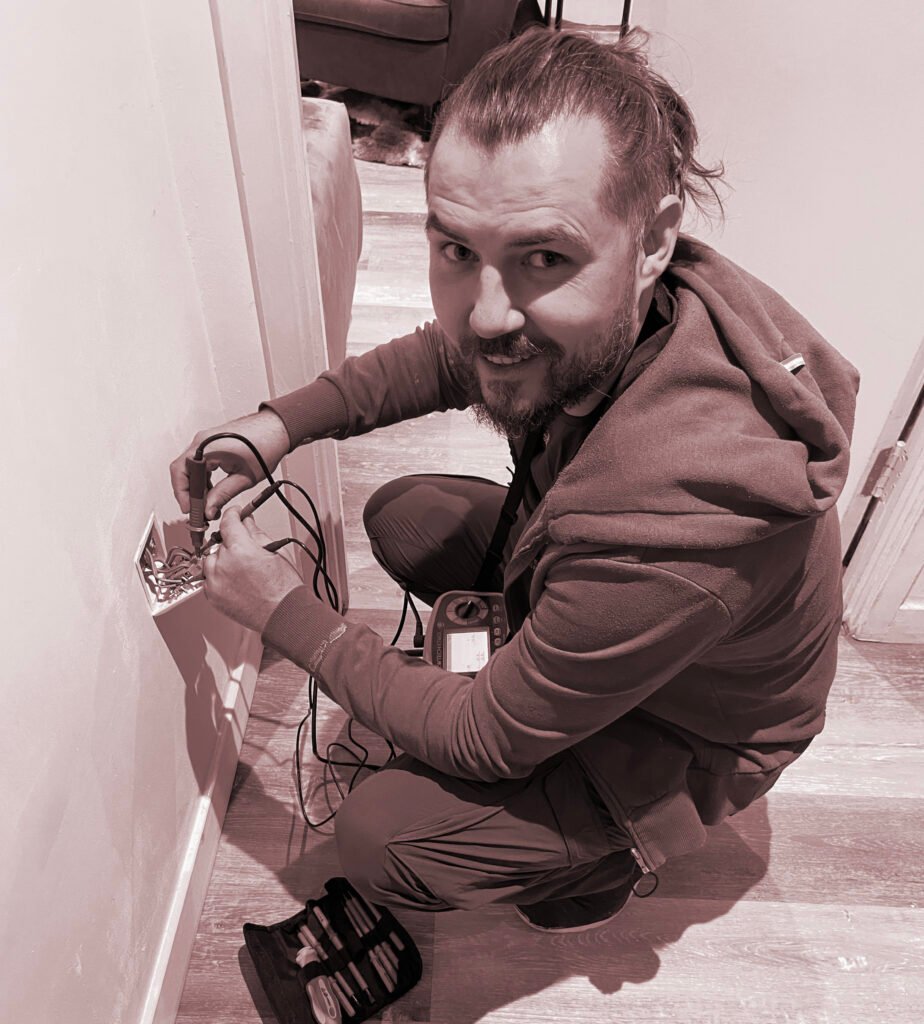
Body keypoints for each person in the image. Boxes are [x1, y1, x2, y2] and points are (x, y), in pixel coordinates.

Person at [170, 28, 859, 932]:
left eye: (543, 258)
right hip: (618, 608)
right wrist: (282, 423)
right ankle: (549, 681)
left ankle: (595, 867)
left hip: (685, 736)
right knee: (409, 517)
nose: (487, 311)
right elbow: (459, 357)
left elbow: (483, 740)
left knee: (384, 836)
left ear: (653, 239)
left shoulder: (678, 522)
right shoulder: (649, 302)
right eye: (458, 250)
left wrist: (287, 615)